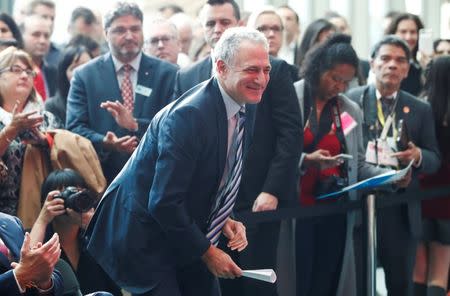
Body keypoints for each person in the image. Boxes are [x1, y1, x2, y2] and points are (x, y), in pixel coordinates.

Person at [86, 27, 269, 296]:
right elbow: (164, 202)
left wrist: (225, 216)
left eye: (267, 70)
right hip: (143, 238)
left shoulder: (244, 102)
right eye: (252, 70)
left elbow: (213, 175)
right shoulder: (189, 116)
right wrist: (208, 252)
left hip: (182, 230)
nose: (261, 79)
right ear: (221, 67)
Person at [174, 1, 302, 296]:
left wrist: (272, 189)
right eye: (210, 23)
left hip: (255, 200)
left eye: (225, 22)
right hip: (204, 210)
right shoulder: (185, 76)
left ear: (240, 23)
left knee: (256, 285)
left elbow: (290, 135)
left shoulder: (274, 70)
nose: (218, 29)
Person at [293, 33, 400, 296]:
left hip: (336, 210)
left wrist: (390, 176)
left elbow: (358, 163)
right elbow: (274, 154)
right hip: (295, 209)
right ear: (318, 69)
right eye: (334, 78)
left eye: (345, 81)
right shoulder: (292, 98)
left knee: (327, 280)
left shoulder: (349, 109)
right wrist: (306, 161)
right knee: (298, 279)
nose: (339, 87)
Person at [346, 35, 441, 296]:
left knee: (400, 284)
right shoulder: (350, 100)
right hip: (358, 205)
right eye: (385, 58)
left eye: (400, 61)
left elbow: (434, 159)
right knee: (359, 282)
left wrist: (418, 155)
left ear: (407, 70)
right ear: (373, 63)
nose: (392, 65)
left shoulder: (419, 108)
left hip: (400, 208)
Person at [66, 2, 178, 183]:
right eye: (120, 30)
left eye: (135, 29)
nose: (129, 36)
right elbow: (74, 128)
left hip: (155, 176)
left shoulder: (169, 74)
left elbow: (176, 126)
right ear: (105, 33)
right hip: (103, 177)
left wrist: (135, 125)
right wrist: (105, 142)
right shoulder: (85, 76)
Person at [30, 169, 122, 295]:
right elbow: (27, 265)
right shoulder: (40, 238)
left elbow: (121, 262)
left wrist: (92, 223)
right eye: (64, 195)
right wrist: (42, 220)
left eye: (78, 193)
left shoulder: (93, 237)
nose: (73, 199)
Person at [0, 46, 61, 216]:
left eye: (29, 71)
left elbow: (65, 159)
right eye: (16, 70)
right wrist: (11, 130)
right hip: (5, 218)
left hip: (49, 211)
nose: (25, 75)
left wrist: (45, 142)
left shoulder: (47, 118)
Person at [413, 56, 450, 296]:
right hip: (447, 200)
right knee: (440, 269)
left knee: (418, 269)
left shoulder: (419, 108)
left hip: (421, 196)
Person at [0, 212, 63, 295]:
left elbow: (56, 281)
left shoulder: (11, 222)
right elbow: (26, 271)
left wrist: (45, 282)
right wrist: (19, 276)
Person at [45, 45, 92, 125]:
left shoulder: (104, 101)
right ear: (63, 73)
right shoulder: (52, 106)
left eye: (86, 67)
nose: (80, 73)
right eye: (74, 68)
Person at [385, 13, 424, 96]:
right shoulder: (383, 63)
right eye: (403, 31)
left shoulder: (421, 65)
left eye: (413, 32)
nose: (408, 37)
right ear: (393, 33)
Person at [19, 14, 57, 100]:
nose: (42, 41)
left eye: (46, 36)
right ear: (21, 37)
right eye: (36, 35)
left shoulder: (54, 73)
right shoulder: (10, 71)